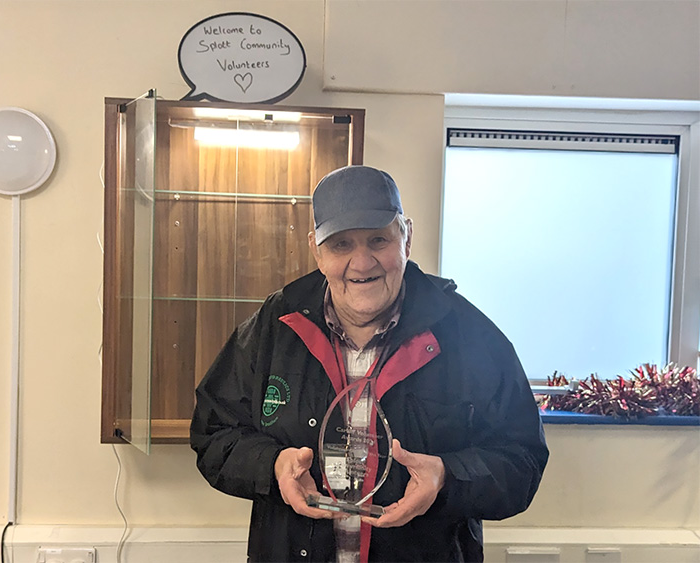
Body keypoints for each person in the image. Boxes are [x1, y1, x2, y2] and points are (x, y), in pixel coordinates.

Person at [190, 165, 549, 562]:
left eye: (378, 240)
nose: (362, 263)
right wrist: (273, 465)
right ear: (316, 250)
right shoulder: (274, 329)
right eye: (341, 244)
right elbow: (214, 435)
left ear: (406, 237)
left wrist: (446, 478)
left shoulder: (470, 336)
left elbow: (523, 461)